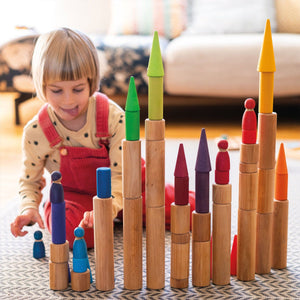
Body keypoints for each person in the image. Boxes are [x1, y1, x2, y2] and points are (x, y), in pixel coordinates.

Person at [10, 27, 195, 248]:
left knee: (189, 211)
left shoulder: (112, 117)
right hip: (75, 196)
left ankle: (123, 214)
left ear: (92, 83)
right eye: (57, 91)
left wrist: (110, 206)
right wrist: (28, 207)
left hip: (129, 187)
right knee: (69, 232)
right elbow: (29, 180)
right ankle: (102, 219)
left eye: (78, 89)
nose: (68, 100)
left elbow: (123, 173)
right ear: (41, 87)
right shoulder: (36, 131)